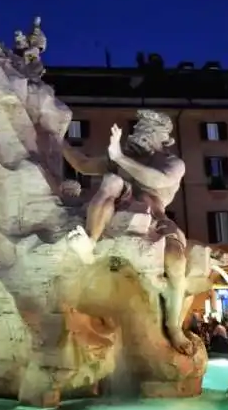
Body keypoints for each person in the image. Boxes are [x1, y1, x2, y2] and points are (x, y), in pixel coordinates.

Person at [62, 109, 190, 354]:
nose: (141, 133)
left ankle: (174, 326)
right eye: (140, 127)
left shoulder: (172, 163)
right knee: (112, 181)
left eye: (150, 130)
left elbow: (158, 180)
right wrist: (57, 138)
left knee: (176, 262)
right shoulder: (122, 156)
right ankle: (90, 242)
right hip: (115, 211)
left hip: (157, 219)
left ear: (165, 139)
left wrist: (119, 157)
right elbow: (83, 164)